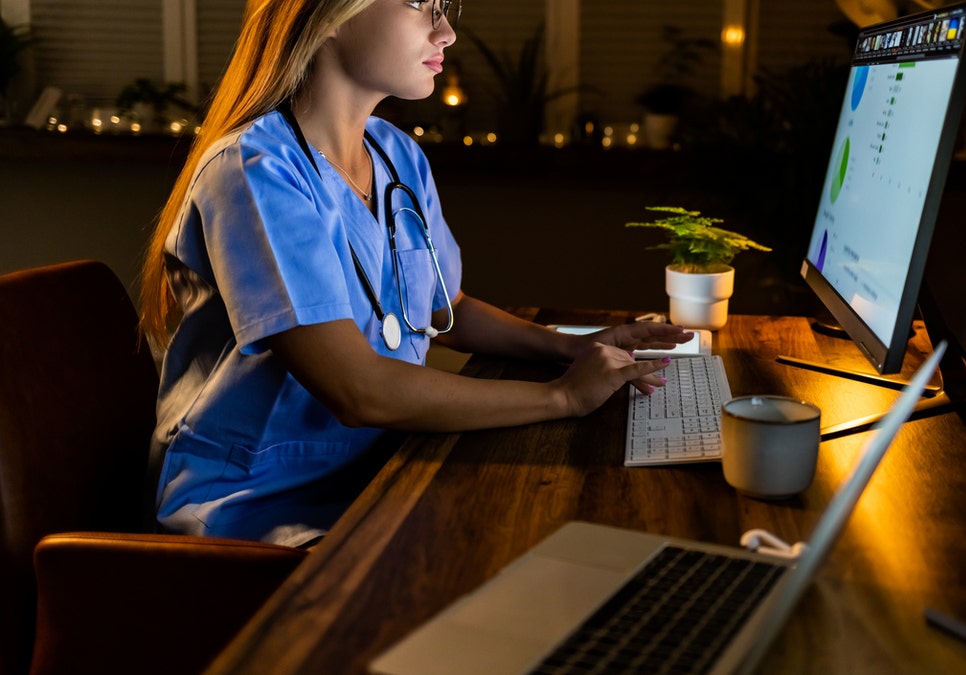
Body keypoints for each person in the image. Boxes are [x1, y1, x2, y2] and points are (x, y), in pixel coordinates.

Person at [138, 0, 690, 548]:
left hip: (380, 472)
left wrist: (566, 348)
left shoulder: (397, 154)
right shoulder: (255, 172)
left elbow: (443, 309)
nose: (446, 32)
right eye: (420, 5)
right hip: (254, 512)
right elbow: (360, 392)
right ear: (328, 17)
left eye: (445, 8)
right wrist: (563, 398)